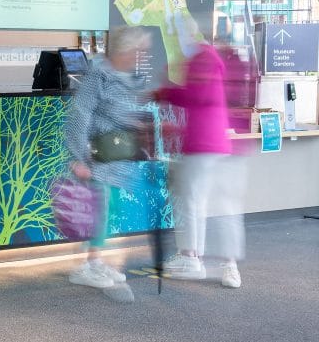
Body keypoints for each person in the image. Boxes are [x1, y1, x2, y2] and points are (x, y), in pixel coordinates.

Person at [155, 25, 244, 288]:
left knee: (194, 202)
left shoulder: (201, 59)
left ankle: (191, 258)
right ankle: (230, 266)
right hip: (220, 143)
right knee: (223, 207)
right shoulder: (218, 60)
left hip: (202, 144)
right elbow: (209, 103)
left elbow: (197, 96)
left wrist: (164, 92)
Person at [64, 26, 151, 289]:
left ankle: (95, 261)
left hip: (115, 158)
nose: (139, 56)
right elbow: (79, 115)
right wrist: (77, 157)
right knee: (99, 210)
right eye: (137, 51)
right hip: (96, 155)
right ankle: (87, 266)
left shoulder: (123, 77)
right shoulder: (98, 76)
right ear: (124, 50)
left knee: (108, 209)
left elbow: (117, 111)